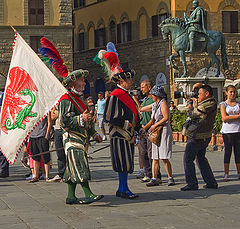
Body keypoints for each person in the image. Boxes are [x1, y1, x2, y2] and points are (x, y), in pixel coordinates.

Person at [59, 69, 104, 204]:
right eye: (81, 80)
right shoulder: (66, 99)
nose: (84, 83)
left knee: (72, 168)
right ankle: (88, 193)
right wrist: (80, 118)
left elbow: (86, 119)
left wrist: (94, 133)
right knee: (80, 165)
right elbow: (64, 121)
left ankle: (71, 196)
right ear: (74, 83)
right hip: (71, 138)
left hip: (81, 138)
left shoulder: (79, 98)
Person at [104, 69, 141, 199]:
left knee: (126, 162)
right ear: (122, 82)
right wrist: (126, 124)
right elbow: (109, 117)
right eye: (128, 80)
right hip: (119, 133)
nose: (131, 82)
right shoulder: (115, 95)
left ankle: (123, 188)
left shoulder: (127, 95)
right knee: (122, 162)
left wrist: (138, 127)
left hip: (128, 134)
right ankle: (123, 188)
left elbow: (134, 113)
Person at [181, 83, 218, 191]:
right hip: (204, 135)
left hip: (197, 136)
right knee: (201, 159)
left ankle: (192, 183)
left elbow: (192, 114)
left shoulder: (207, 105)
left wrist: (189, 105)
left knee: (188, 159)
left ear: (207, 94)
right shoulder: (211, 102)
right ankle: (211, 182)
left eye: (200, 93)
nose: (198, 95)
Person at [142, 85, 175, 187]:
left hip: (163, 130)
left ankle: (170, 177)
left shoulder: (163, 103)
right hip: (156, 131)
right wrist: (145, 128)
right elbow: (150, 117)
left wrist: (155, 125)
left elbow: (166, 117)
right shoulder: (155, 105)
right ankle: (154, 177)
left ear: (157, 95)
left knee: (164, 156)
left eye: (153, 94)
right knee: (155, 156)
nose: (151, 95)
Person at [220, 85, 240, 181]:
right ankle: (226, 173)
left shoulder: (238, 104)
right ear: (226, 93)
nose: (232, 94)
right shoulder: (223, 104)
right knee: (228, 152)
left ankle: (239, 173)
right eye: (231, 92)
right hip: (227, 131)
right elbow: (224, 118)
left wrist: (230, 117)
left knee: (238, 152)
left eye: (234, 92)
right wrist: (236, 116)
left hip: (238, 130)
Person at [28, 115, 52, 183]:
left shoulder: (46, 109)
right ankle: (36, 175)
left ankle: (47, 176)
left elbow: (50, 122)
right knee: (35, 156)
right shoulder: (32, 109)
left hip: (42, 135)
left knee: (45, 156)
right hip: (33, 135)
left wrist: (47, 135)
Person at [47, 107, 66, 182]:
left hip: (67, 129)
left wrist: (59, 113)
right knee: (60, 153)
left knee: (68, 153)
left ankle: (69, 173)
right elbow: (53, 116)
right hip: (58, 129)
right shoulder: (56, 103)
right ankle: (61, 173)